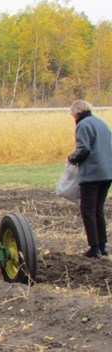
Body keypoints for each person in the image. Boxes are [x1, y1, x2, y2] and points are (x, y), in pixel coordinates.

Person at [66, 100, 112, 258]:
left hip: (92, 174)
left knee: (88, 211)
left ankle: (94, 248)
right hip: (107, 174)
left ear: (77, 111)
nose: (72, 117)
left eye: (72, 114)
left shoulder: (83, 125)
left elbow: (83, 149)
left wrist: (72, 158)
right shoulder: (102, 124)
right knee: (98, 210)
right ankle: (103, 246)